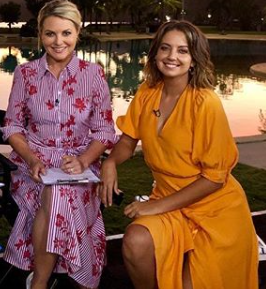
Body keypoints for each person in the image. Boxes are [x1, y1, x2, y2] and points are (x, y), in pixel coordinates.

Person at [99, 20, 258, 289]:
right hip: (170, 200)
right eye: (165, 48)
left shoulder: (206, 104)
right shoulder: (147, 93)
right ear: (156, 54)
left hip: (215, 210)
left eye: (183, 51)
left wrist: (154, 206)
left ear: (194, 60)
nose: (172, 57)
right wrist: (111, 162)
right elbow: (127, 139)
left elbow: (215, 178)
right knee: (135, 242)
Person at [0, 0, 118, 289]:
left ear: (77, 33)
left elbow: (105, 129)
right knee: (56, 192)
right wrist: (31, 159)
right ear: (41, 34)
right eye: (50, 33)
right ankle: (54, 281)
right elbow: (13, 126)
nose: (58, 41)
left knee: (59, 193)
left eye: (66, 33)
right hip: (33, 167)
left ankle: (37, 282)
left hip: (81, 165)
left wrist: (84, 160)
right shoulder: (25, 74)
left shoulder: (94, 74)